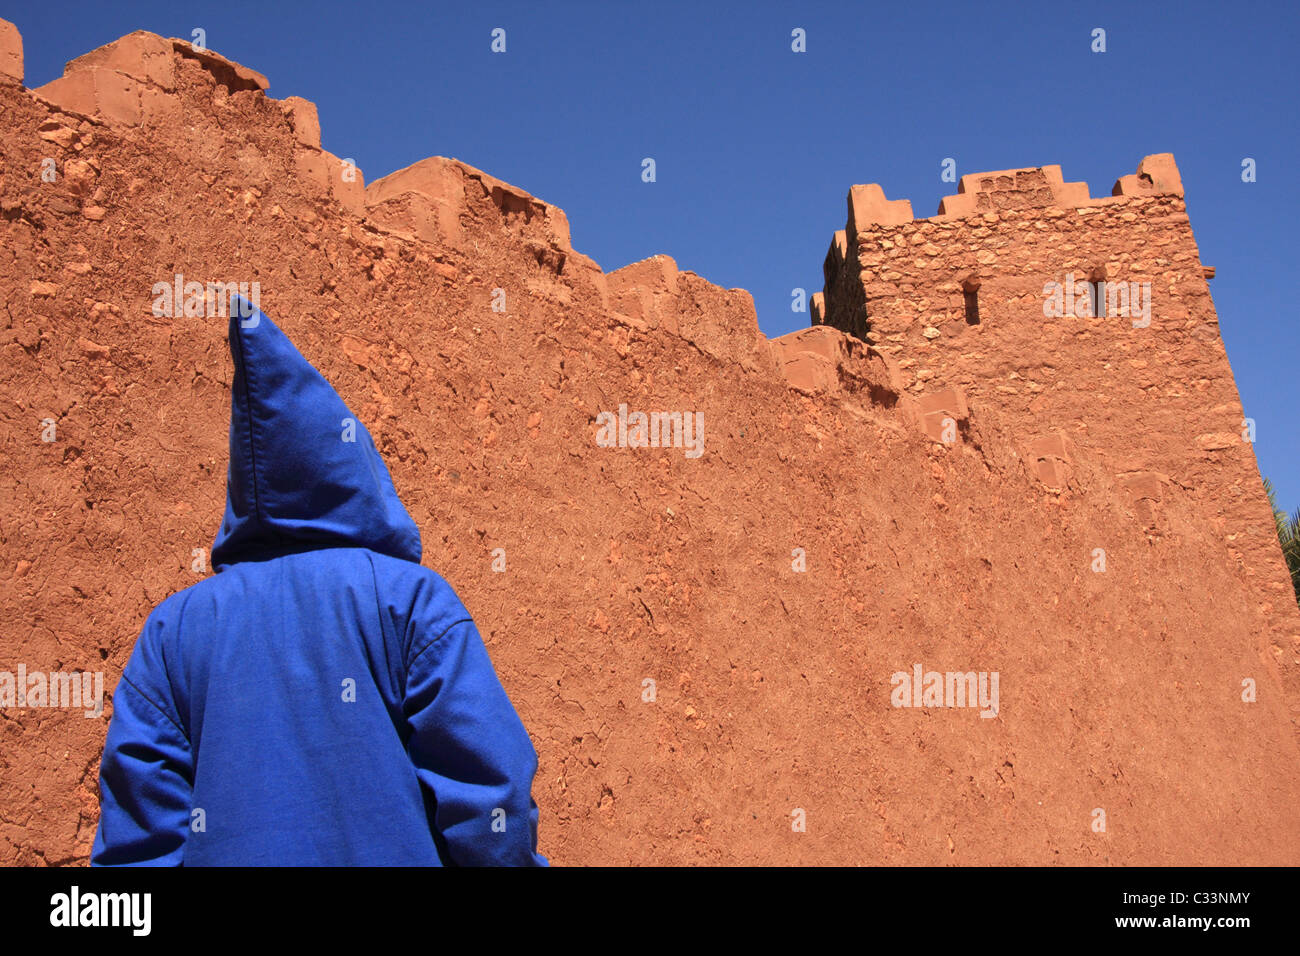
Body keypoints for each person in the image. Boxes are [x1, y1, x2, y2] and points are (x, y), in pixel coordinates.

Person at [91, 296, 546, 866]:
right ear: (351, 467)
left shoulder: (173, 631)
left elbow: (138, 840)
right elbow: (489, 802)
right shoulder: (408, 602)